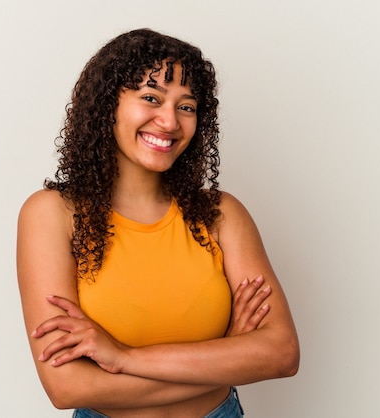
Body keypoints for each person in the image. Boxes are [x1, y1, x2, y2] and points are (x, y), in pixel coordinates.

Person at [17, 28, 299, 417]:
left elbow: (281, 354)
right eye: (151, 98)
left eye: (186, 106)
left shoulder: (221, 214)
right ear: (107, 106)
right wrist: (223, 358)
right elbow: (67, 387)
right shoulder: (54, 214)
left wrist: (122, 357)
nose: (169, 122)